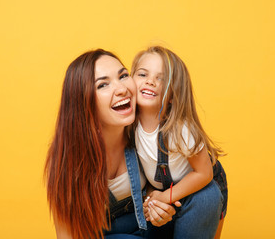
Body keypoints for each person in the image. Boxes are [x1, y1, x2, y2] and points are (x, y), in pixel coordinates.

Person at [43, 49, 176, 239]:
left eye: (123, 76)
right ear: (82, 100)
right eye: (103, 85)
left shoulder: (146, 130)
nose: (122, 89)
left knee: (208, 191)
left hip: (152, 228)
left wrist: (156, 202)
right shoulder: (69, 156)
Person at [130, 46, 228, 239]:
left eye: (161, 78)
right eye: (143, 74)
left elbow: (204, 173)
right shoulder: (128, 124)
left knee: (207, 200)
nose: (150, 81)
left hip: (199, 188)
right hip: (161, 192)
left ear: (174, 95)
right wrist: (152, 198)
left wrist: (164, 197)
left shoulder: (180, 129)